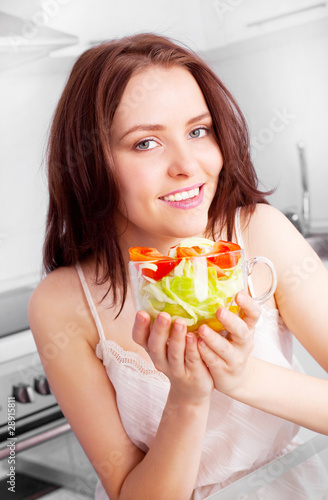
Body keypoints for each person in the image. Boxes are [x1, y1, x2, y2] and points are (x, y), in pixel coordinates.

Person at [28, 33, 328, 500]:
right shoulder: (64, 303)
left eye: (198, 131)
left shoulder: (257, 232)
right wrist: (187, 399)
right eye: (146, 143)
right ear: (90, 164)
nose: (188, 165)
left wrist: (244, 377)